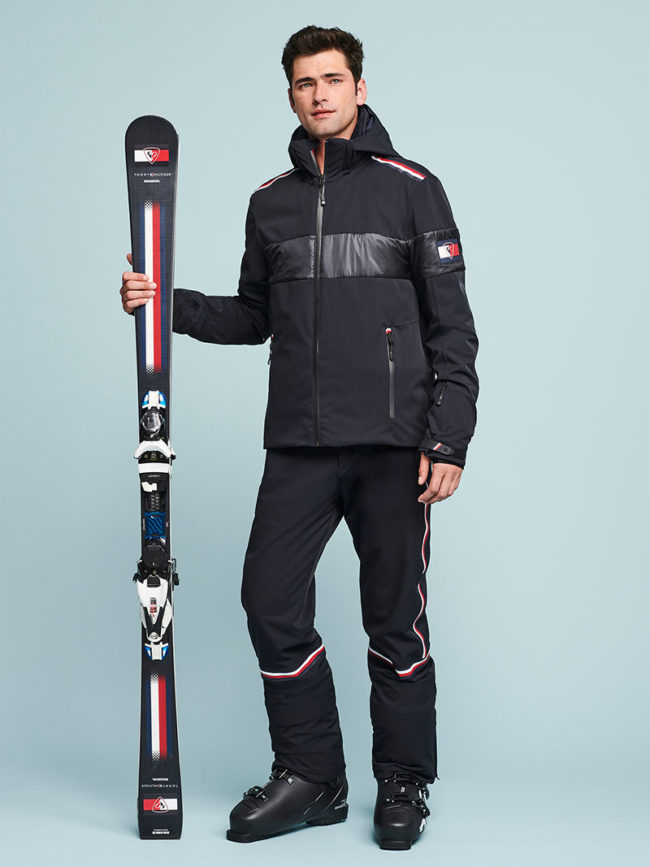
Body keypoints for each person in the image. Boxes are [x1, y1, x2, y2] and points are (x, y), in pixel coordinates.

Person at [120, 25, 479, 851]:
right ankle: (314, 775)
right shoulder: (270, 202)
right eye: (305, 82)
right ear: (290, 94)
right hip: (299, 444)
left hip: (393, 445)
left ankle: (403, 779)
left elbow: (453, 329)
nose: (320, 94)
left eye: (333, 79)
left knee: (395, 618)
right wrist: (166, 302)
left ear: (359, 87)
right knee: (269, 601)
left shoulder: (413, 188)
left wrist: (449, 438)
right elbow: (255, 315)